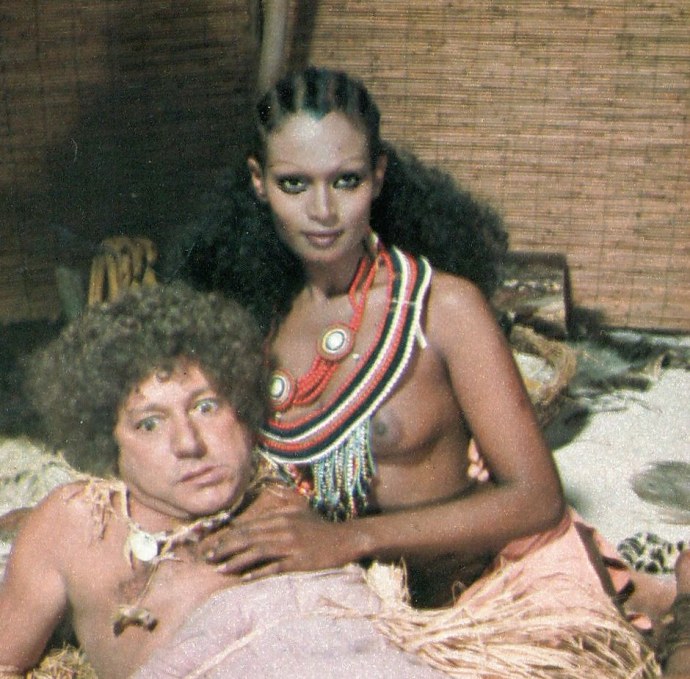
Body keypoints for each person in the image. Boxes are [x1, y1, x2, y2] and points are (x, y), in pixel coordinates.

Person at [164, 66, 685, 668]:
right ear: (259, 183)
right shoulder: (252, 318)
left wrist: (348, 539)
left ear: (379, 176)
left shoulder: (444, 308)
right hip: (345, 607)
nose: (323, 210)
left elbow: (538, 497)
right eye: (294, 184)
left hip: (480, 598)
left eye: (347, 180)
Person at [0, 284, 453, 679]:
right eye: (149, 424)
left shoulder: (287, 506)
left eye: (206, 407)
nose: (189, 444)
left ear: (242, 409)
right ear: (107, 440)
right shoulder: (74, 524)